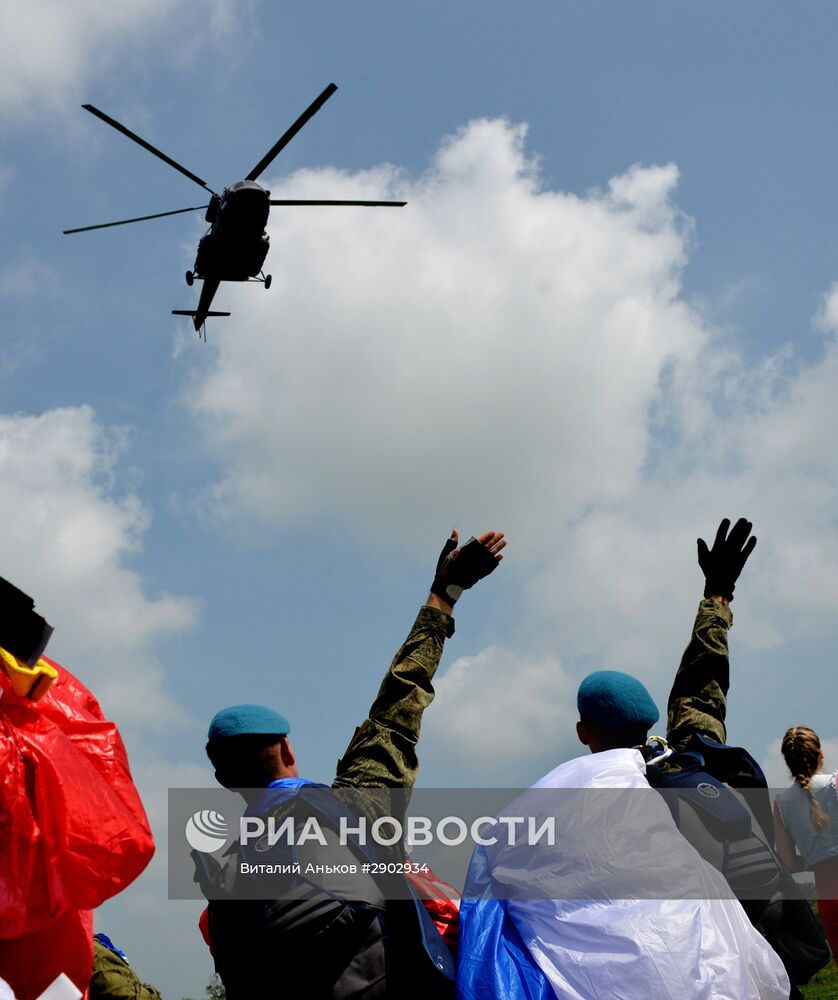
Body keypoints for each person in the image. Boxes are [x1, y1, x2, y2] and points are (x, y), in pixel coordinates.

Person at [457, 518, 791, 999]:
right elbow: (703, 689)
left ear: (582, 732)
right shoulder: (687, 766)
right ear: (648, 722)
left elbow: (498, 891)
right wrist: (717, 596)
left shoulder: (558, 800)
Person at [200, 529, 505, 999]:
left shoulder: (225, 882)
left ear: (224, 779)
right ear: (288, 750)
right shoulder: (354, 805)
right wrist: (445, 594)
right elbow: (400, 705)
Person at [774, 725, 838, 965]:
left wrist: (816, 857)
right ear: (820, 754)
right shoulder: (836, 783)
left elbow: (789, 863)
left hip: (828, 901)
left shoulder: (781, 805)